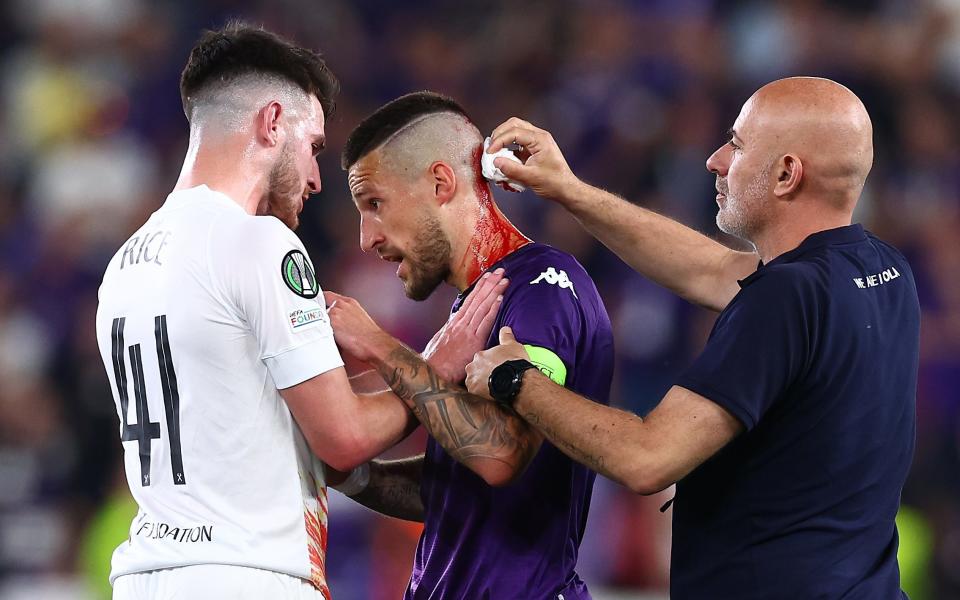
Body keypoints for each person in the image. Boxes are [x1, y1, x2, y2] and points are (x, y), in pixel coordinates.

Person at [465, 77, 920, 599]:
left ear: (786, 174)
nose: (715, 159)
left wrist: (514, 378)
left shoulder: (785, 298)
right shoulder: (880, 269)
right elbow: (710, 270)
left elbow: (648, 457)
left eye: (738, 144)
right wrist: (568, 188)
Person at [94, 24, 500, 600]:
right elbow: (344, 438)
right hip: (246, 577)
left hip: (145, 577)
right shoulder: (260, 243)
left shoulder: (124, 266)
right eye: (312, 147)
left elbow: (237, 412)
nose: (314, 178)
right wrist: (437, 364)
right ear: (272, 122)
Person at [324, 91, 615, 600]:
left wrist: (379, 346)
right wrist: (348, 474)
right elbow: (457, 488)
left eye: (375, 204)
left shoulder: (544, 288)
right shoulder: (474, 305)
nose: (367, 238)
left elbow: (501, 453)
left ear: (441, 183)